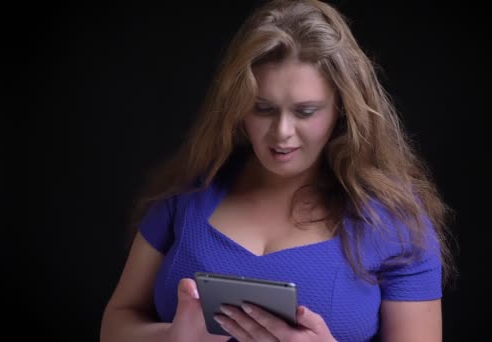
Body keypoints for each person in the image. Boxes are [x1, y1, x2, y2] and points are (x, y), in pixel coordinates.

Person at [100, 0, 456, 341]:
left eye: (305, 111)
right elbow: (117, 322)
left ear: (342, 111)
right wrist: (171, 339)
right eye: (263, 108)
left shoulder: (395, 222)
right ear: (237, 107)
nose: (282, 132)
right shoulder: (190, 190)